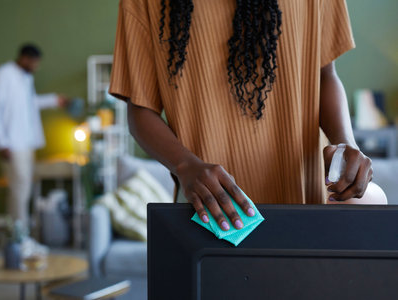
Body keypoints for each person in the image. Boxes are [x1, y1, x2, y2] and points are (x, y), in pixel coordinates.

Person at [109, 0, 387, 231]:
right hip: (210, 216)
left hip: (307, 203)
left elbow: (325, 75)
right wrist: (184, 166)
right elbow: (140, 109)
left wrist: (345, 145)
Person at [0, 43, 67, 228]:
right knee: (19, 189)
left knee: (24, 189)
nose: (36, 67)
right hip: (12, 144)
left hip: (26, 142)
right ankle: (18, 234)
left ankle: (19, 230)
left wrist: (55, 100)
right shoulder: (3, 76)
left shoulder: (24, 78)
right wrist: (1, 142)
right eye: (35, 62)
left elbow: (29, 104)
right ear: (25, 58)